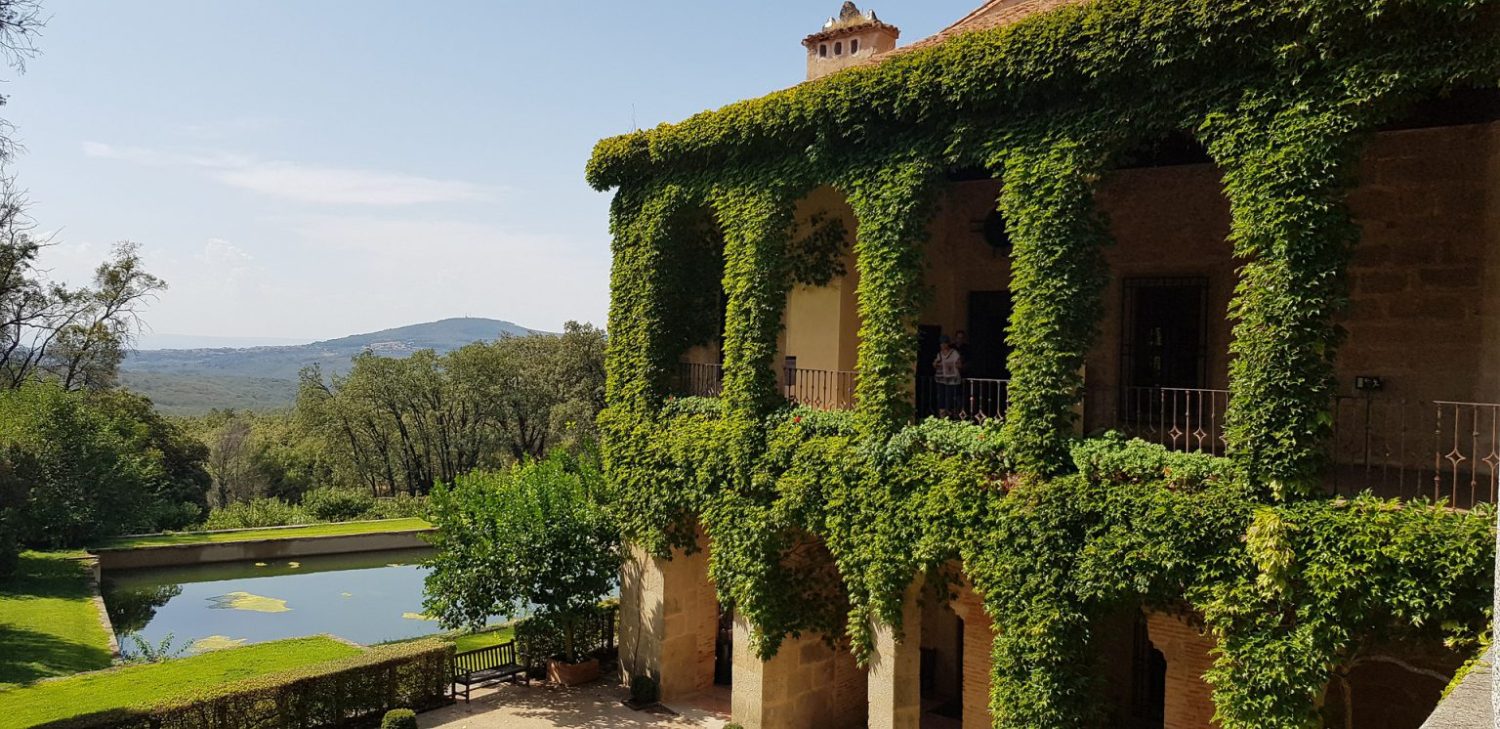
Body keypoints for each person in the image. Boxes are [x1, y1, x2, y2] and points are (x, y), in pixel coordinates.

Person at [933, 335, 964, 415]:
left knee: (950, 398)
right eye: (941, 344)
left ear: (948, 344)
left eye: (944, 343)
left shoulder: (954, 353)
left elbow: (959, 364)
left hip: (952, 379)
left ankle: (950, 414)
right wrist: (936, 364)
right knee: (941, 398)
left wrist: (956, 365)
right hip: (941, 379)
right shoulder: (939, 354)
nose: (943, 345)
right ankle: (942, 415)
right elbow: (935, 364)